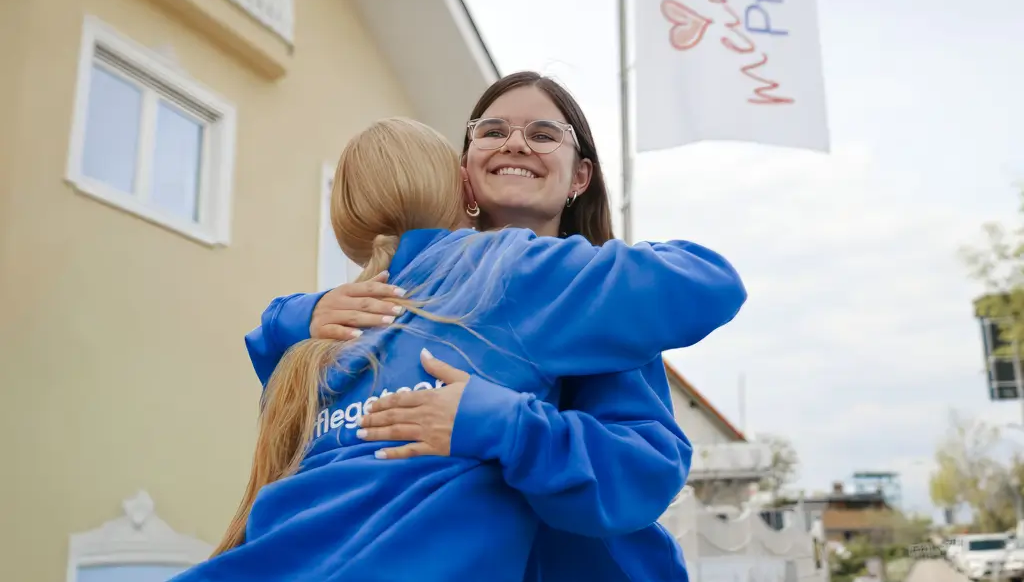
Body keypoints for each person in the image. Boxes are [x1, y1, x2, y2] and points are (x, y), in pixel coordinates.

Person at [178, 115, 744, 582]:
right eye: (492, 131)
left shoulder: (323, 335)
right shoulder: (505, 270)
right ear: (465, 182)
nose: (515, 142)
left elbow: (641, 470)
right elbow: (710, 281)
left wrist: (291, 316)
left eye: (544, 134)